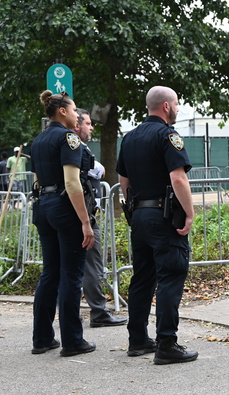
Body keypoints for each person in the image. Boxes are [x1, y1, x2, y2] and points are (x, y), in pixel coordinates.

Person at [116, 86, 197, 364]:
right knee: (171, 276)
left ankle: (137, 339)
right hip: (163, 218)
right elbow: (178, 179)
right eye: (176, 104)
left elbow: (123, 180)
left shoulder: (129, 138)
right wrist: (189, 212)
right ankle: (167, 343)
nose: (177, 108)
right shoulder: (168, 135)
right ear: (165, 106)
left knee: (142, 278)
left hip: (139, 216)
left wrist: (134, 207)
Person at [30, 90, 96, 356]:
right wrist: (85, 222)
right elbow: (71, 183)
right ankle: (72, 340)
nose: (77, 115)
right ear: (62, 112)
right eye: (74, 110)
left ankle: (42, 338)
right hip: (63, 207)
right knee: (71, 274)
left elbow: (37, 180)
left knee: (51, 273)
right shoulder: (68, 138)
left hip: (43, 207)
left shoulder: (38, 140)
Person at [74, 108, 127, 328]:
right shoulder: (73, 146)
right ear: (77, 125)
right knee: (92, 265)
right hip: (83, 216)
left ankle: (74, 312)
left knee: (73, 267)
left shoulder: (72, 146)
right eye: (87, 123)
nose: (91, 127)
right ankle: (98, 312)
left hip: (80, 214)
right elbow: (90, 172)